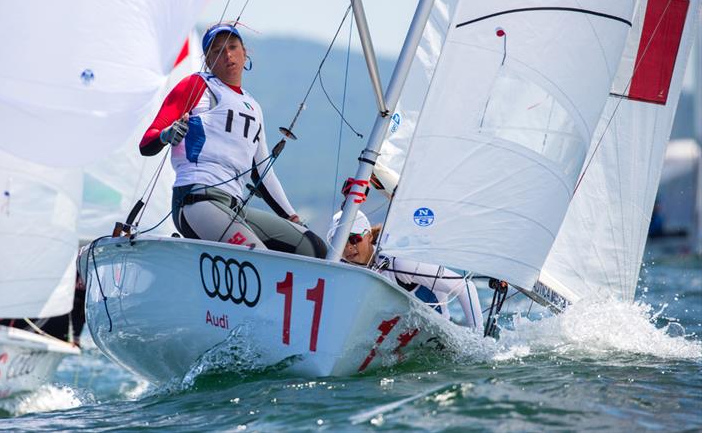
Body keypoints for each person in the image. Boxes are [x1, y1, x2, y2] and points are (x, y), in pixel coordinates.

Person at [140, 23, 327, 258]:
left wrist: (292, 217)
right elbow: (147, 142)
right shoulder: (197, 85)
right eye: (217, 51)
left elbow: (262, 172)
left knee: (313, 247)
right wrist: (166, 135)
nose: (227, 55)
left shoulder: (253, 107)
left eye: (232, 47)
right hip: (197, 202)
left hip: (234, 208)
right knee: (258, 256)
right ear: (207, 61)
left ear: (244, 52)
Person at [328, 210, 483, 331]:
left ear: (368, 236)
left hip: (439, 341)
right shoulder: (342, 272)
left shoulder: (398, 263)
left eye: (354, 238)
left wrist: (477, 339)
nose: (348, 246)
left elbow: (465, 287)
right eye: (341, 240)